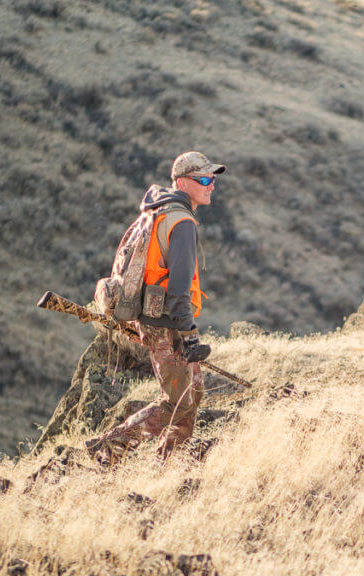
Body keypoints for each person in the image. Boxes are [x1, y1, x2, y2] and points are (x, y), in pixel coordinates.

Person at [86, 151, 225, 464]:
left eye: (212, 179)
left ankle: (170, 461)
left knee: (192, 393)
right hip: (168, 322)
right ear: (181, 182)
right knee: (177, 403)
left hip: (155, 317)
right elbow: (178, 290)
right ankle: (111, 445)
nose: (211, 185)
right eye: (203, 179)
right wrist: (188, 335)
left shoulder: (156, 212)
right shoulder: (183, 222)